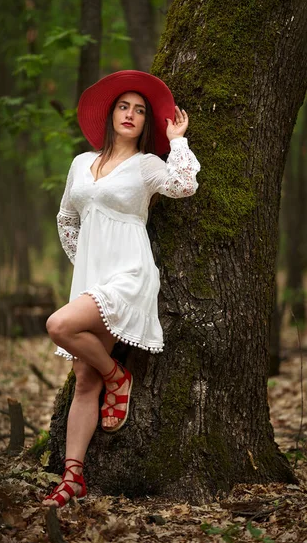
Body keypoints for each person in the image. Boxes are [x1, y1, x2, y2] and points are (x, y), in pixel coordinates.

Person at [43, 70, 200, 507]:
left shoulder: (148, 165)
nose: (130, 115)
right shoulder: (80, 163)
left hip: (130, 274)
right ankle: (73, 478)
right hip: (94, 278)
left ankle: (120, 376)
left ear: (146, 121)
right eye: (123, 106)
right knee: (84, 377)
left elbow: (184, 186)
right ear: (111, 114)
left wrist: (180, 140)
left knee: (59, 324)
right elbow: (66, 218)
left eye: (140, 110)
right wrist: (85, 261)